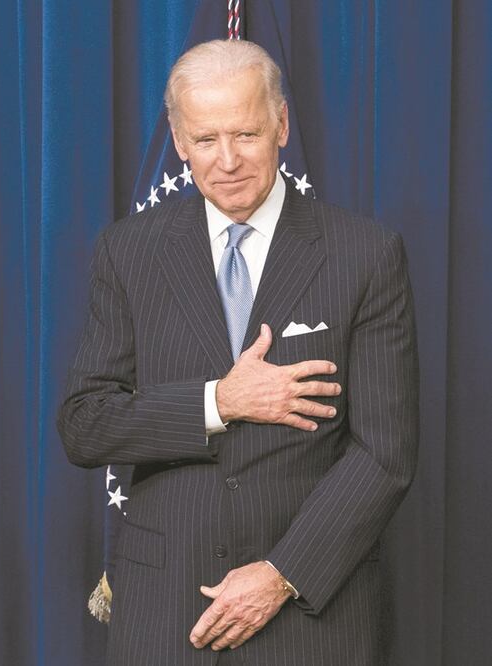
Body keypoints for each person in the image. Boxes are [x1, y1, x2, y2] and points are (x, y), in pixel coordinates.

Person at [58, 39, 417, 664]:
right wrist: (217, 403)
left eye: (246, 134)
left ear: (281, 125)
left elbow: (385, 455)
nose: (227, 161)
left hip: (312, 610)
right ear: (179, 140)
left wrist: (283, 574)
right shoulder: (128, 251)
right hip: (164, 610)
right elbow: (85, 426)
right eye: (205, 139)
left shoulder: (366, 253)